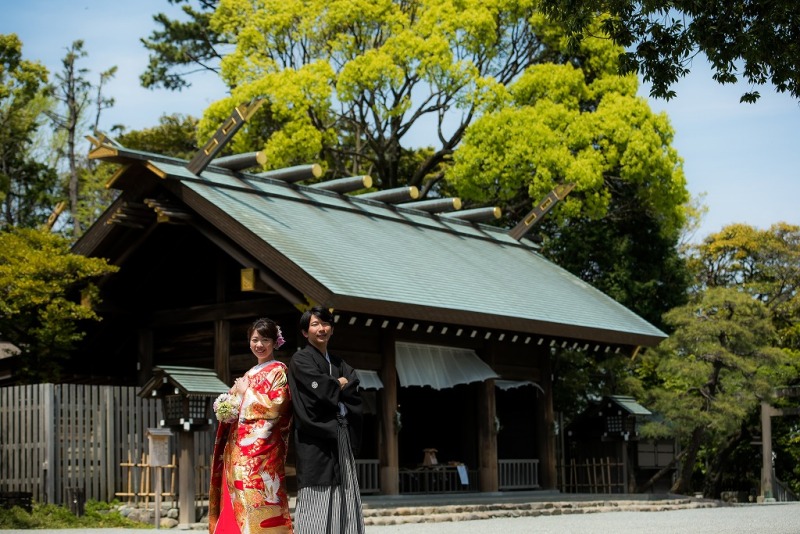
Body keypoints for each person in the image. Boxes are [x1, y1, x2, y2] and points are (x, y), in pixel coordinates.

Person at [209, 318, 293, 533]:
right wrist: (228, 405)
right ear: (249, 342)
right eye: (255, 339)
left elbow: (277, 407)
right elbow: (237, 406)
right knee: (236, 499)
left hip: (262, 452)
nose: (259, 345)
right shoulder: (249, 374)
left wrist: (246, 393)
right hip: (238, 450)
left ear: (275, 342)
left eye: (265, 339)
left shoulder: (279, 371)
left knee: (260, 499)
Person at [288, 306, 365, 534]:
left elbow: (353, 382)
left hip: (341, 432)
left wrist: (334, 385)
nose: (321, 329)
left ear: (331, 329)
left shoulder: (339, 362)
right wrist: (337, 384)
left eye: (325, 324)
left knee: (346, 488)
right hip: (315, 436)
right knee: (317, 490)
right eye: (314, 324)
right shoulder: (300, 359)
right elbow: (321, 390)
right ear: (305, 332)